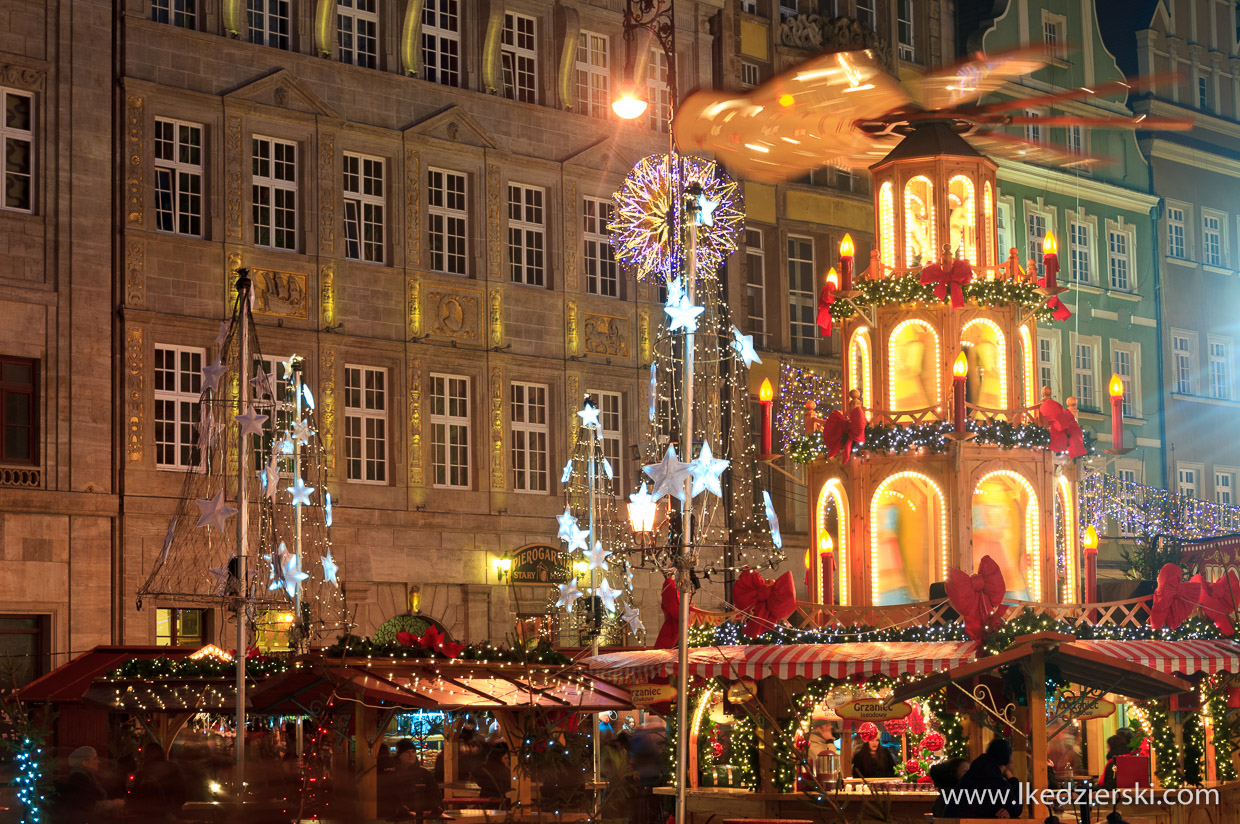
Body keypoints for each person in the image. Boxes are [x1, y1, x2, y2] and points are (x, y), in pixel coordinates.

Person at [943, 738, 1022, 819]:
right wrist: (1012, 778)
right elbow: (1016, 808)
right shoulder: (993, 778)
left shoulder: (975, 771)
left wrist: (1006, 810)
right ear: (1006, 763)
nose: (1013, 765)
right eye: (1011, 762)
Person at [52, 746, 123, 824]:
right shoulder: (79, 779)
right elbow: (88, 806)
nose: (98, 761)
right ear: (85, 763)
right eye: (95, 758)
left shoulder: (87, 777)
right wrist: (113, 804)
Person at [127, 742, 187, 821]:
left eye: (144, 753)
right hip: (171, 816)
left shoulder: (143, 773)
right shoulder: (172, 768)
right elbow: (182, 794)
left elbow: (134, 797)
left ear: (146, 755)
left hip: (148, 817)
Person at [394, 739, 443, 823]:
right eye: (407, 752)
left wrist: (433, 806)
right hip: (400, 817)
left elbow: (436, 793)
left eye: (413, 752)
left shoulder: (424, 773)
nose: (411, 755)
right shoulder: (393, 773)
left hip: (422, 816)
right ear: (400, 755)